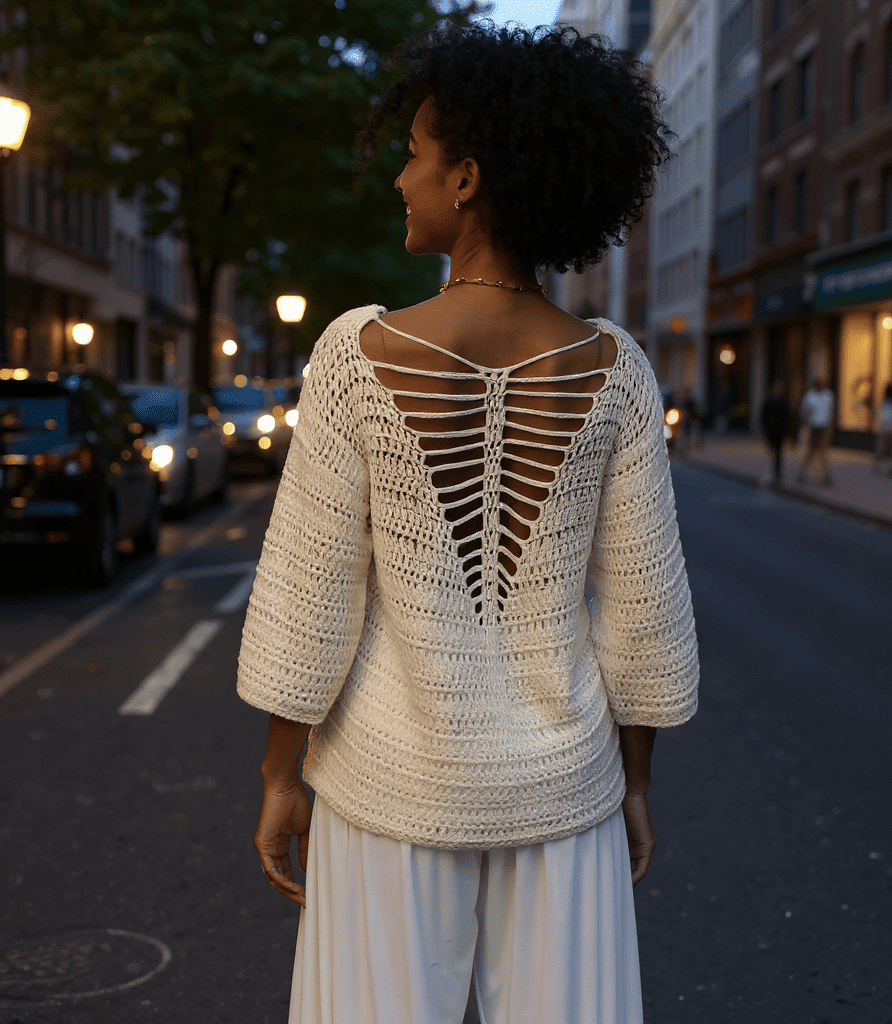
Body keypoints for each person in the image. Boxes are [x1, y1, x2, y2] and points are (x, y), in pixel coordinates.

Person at [237, 22, 698, 1024]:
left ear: (467, 179)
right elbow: (642, 618)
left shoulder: (357, 354)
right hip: (563, 795)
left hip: (385, 790)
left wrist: (282, 777)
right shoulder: (615, 371)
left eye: (414, 154)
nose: (400, 178)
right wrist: (634, 785)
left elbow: (309, 598)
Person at [797, 377, 835, 485]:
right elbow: (804, 410)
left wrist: (830, 429)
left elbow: (831, 411)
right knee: (812, 451)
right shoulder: (810, 396)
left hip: (824, 427)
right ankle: (805, 473)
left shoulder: (828, 395)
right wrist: (805, 422)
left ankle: (825, 476)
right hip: (814, 426)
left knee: (821, 452)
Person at [760, 380, 792, 486]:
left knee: (778, 452)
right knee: (772, 450)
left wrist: (788, 432)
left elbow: (787, 416)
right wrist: (764, 428)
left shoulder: (783, 400)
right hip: (771, 430)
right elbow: (763, 415)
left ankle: (777, 472)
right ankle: (773, 471)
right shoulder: (769, 400)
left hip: (780, 431)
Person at [874, 382, 892, 476]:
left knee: (882, 447)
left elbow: (879, 414)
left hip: (884, 428)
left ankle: (877, 465)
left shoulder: (883, 402)